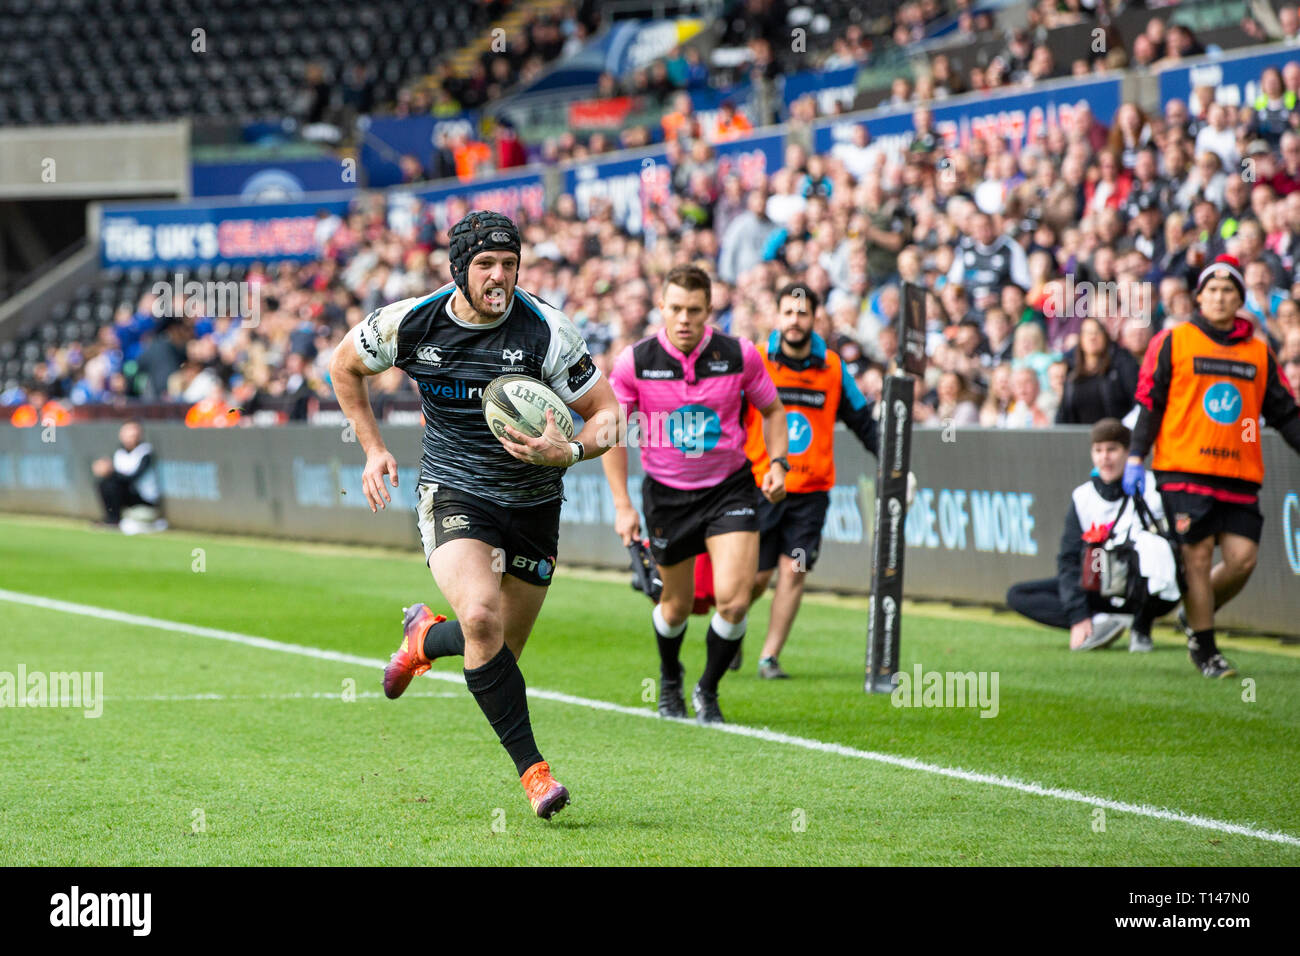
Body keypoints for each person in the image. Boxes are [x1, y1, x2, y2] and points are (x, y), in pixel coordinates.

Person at [329, 210, 620, 819]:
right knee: (483, 618)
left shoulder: (546, 330)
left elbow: (609, 415)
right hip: (454, 492)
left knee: (495, 648)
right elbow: (344, 364)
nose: (499, 277)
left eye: (509, 264)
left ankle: (424, 638)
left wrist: (565, 450)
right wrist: (374, 448)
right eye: (486, 265)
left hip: (536, 502)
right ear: (459, 269)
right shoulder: (413, 322)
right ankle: (536, 775)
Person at [601, 264, 787, 723]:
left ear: (710, 310)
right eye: (676, 309)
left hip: (730, 489)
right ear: (661, 307)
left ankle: (707, 689)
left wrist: (779, 463)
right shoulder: (635, 362)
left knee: (735, 599)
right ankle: (670, 678)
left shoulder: (738, 354)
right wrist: (622, 505)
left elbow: (773, 409)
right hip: (666, 495)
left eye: (695, 311)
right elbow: (611, 434)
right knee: (676, 605)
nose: (684, 319)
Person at [1126, 255, 1300, 677]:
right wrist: (1135, 456)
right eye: (1213, 290)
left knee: (1243, 559)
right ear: (1199, 297)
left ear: (1240, 299)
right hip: (1184, 469)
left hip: (1239, 474)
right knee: (1197, 556)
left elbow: (1285, 413)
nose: (1220, 297)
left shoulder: (1258, 352)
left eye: (1229, 291)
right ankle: (1206, 648)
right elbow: (1150, 403)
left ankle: (1195, 615)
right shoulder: (1173, 341)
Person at [738, 283, 882, 678]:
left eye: (802, 314)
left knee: (794, 571)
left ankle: (769, 656)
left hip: (812, 492)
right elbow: (732, 416)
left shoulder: (833, 367)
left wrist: (893, 464)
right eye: (788, 313)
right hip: (761, 485)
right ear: (777, 317)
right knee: (755, 577)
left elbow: (862, 422)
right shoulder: (756, 360)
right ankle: (733, 627)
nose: (795, 321)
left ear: (814, 318)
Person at [1007, 418, 1180, 651]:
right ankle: (1098, 621)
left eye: (1112, 449)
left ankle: (1141, 625)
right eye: (1098, 450)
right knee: (1019, 594)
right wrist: (1078, 615)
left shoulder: (1152, 488)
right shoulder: (1083, 496)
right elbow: (1068, 560)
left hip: (1145, 589)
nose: (1104, 457)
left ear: (1128, 452)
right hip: (1100, 586)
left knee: (1161, 552)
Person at [90, 420, 165, 532]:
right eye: (127, 434)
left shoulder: (145, 452)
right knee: (104, 483)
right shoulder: (119, 452)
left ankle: (115, 520)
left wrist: (110, 471)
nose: (130, 437)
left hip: (143, 497)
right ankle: (111, 518)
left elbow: (132, 478)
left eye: (133, 434)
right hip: (127, 494)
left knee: (112, 483)